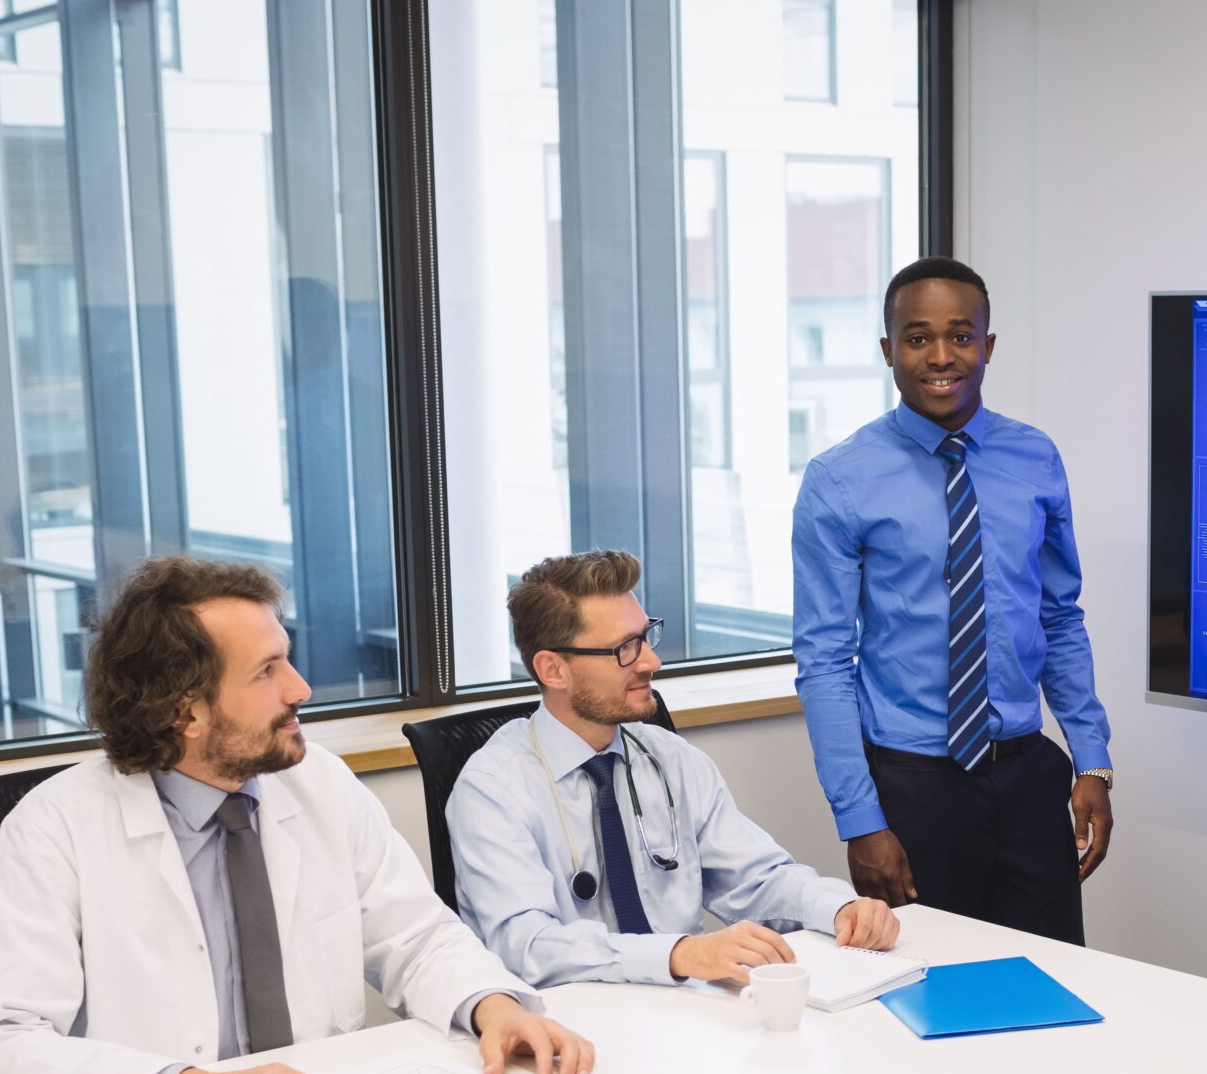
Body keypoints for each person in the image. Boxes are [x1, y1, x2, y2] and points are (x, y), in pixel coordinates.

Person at [0, 557, 591, 1074]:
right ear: (183, 711)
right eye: (266, 672)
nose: (300, 688)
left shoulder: (320, 786)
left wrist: (492, 1005)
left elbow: (417, 938)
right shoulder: (54, 829)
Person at [792, 256, 1114, 946]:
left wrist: (1091, 757)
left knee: (1049, 992)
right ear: (887, 350)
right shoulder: (839, 480)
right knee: (923, 998)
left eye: (961, 336)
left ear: (988, 345)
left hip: (1028, 779)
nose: (941, 356)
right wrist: (861, 820)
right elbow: (823, 661)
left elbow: (1058, 616)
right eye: (917, 338)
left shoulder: (1036, 457)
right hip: (913, 792)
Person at [451, 551, 899, 987]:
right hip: (566, 1031)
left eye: (646, 637)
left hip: (684, 1018)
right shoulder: (492, 789)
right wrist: (679, 954)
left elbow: (757, 878)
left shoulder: (670, 758)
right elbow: (525, 947)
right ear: (553, 669)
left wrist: (840, 908)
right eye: (625, 649)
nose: (651, 661)